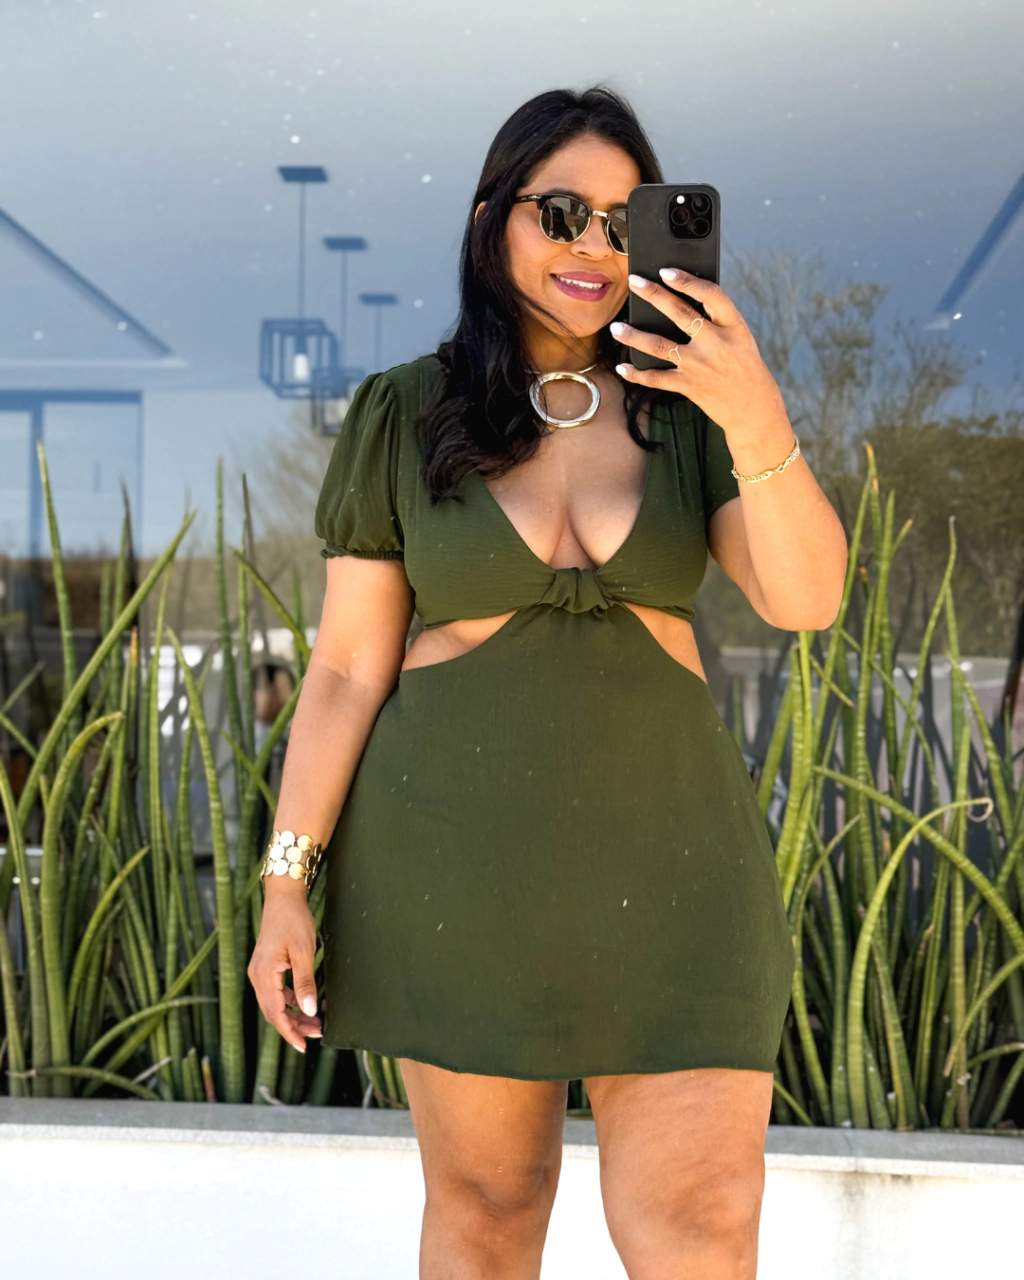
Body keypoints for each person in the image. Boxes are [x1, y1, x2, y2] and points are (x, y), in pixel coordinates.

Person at [248, 86, 847, 1279]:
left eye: (625, 222)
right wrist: (286, 880)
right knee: (486, 1210)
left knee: (701, 1222)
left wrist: (752, 407)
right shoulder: (405, 412)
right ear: (491, 220)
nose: (594, 246)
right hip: (454, 864)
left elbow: (807, 598)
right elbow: (345, 669)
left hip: (675, 870)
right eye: (562, 211)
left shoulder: (690, 415)